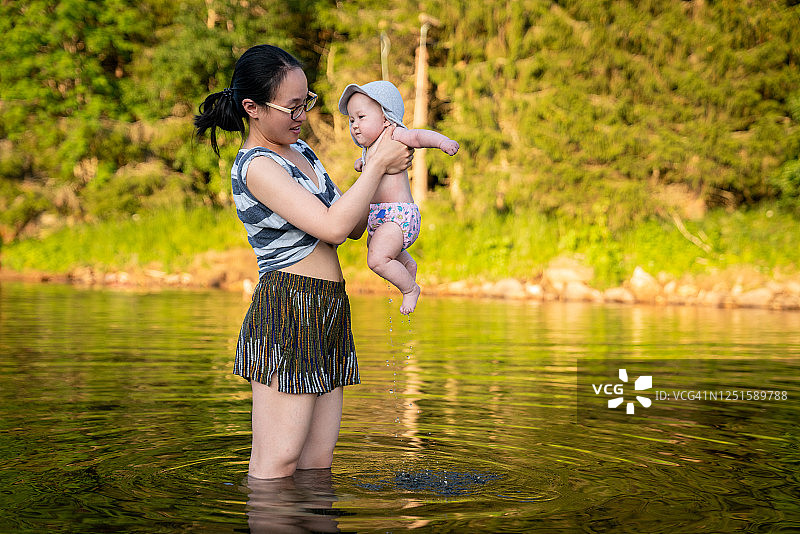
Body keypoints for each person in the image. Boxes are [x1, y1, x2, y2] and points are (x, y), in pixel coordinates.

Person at [193, 44, 413, 479]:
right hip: (288, 308)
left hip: (329, 306)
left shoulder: (305, 155)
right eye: (292, 106)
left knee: (316, 463)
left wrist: (386, 173)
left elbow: (350, 227)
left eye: (306, 103)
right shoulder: (256, 166)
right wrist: (375, 168)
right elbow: (331, 228)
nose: (302, 116)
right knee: (279, 460)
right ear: (252, 108)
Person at [337, 81, 459, 314]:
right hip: (380, 219)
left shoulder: (394, 134)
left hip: (398, 216)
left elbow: (419, 136)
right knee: (377, 249)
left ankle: (410, 289)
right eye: (351, 120)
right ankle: (406, 263)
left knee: (376, 260)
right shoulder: (368, 150)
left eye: (361, 117)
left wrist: (443, 142)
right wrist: (362, 164)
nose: (355, 126)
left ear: (385, 117)